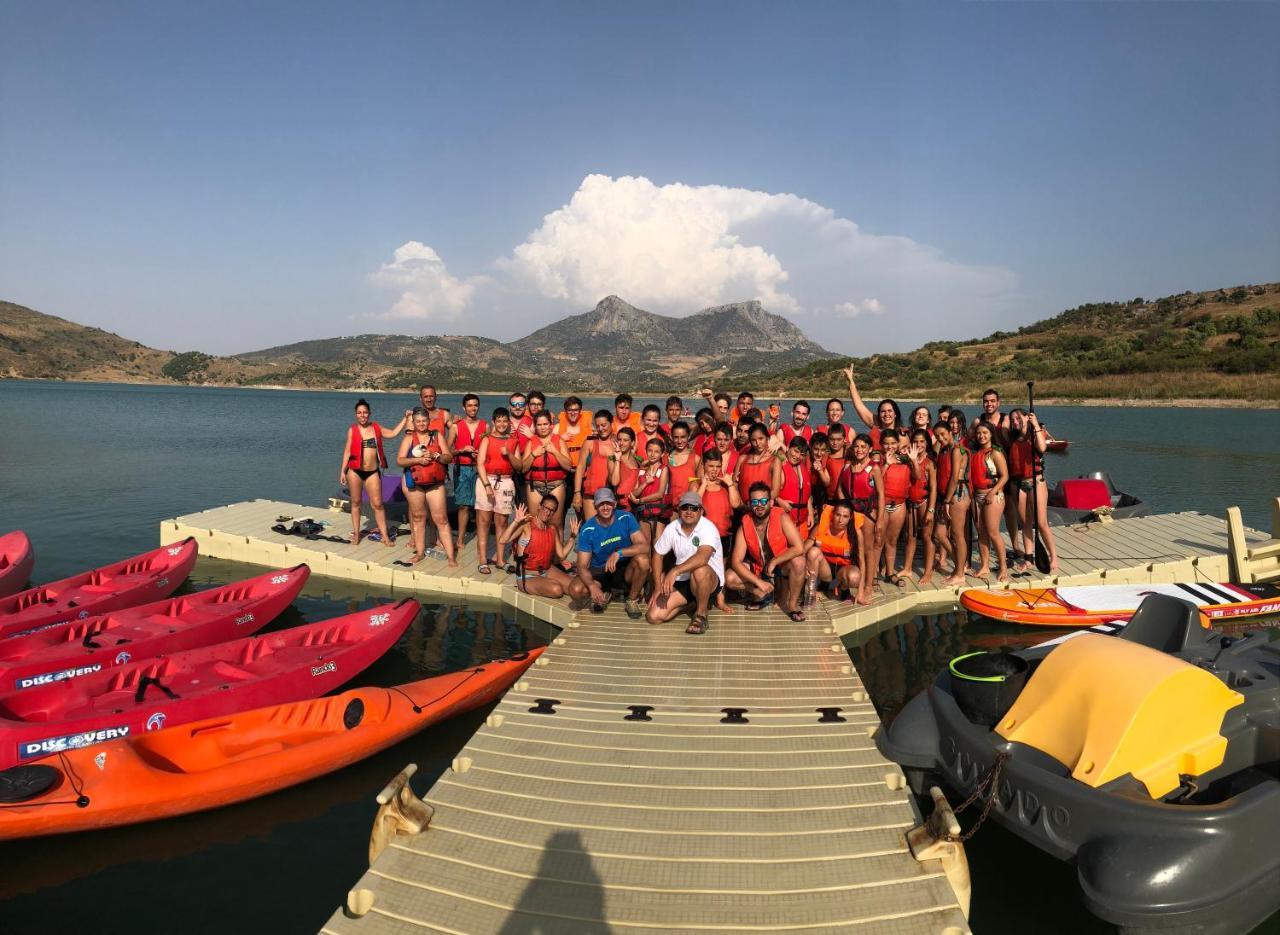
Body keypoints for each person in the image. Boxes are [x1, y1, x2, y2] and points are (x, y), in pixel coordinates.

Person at [647, 491, 726, 634]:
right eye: (685, 507)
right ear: (679, 510)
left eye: (694, 508)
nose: (689, 511)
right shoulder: (672, 527)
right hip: (684, 580)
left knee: (699, 569)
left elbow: (703, 557)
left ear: (701, 511)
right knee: (654, 617)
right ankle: (691, 604)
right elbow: (658, 554)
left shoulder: (708, 528)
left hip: (709, 580)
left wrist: (674, 571)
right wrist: (658, 587)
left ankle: (701, 614)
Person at [729, 482, 808, 621]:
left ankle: (792, 605)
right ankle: (760, 593)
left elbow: (799, 547)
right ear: (750, 504)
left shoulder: (782, 517)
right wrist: (758, 583)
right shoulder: (745, 524)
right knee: (730, 578)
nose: (759, 505)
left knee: (800, 561)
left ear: (771, 502)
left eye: (763, 501)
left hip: (781, 566)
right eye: (755, 501)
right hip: (759, 568)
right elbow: (736, 562)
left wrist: (775, 561)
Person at [338, 398, 408, 547]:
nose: (362, 415)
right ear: (356, 414)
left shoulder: (376, 428)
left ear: (369, 413)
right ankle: (357, 534)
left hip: (372, 472)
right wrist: (343, 471)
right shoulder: (352, 430)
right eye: (359, 413)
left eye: (365, 412)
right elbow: (347, 451)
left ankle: (385, 536)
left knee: (377, 504)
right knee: (356, 502)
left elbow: (394, 433)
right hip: (354, 471)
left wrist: (405, 418)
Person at [572, 488, 651, 618]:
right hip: (600, 571)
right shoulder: (587, 529)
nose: (605, 507)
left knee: (643, 560)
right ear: (595, 506)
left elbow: (645, 547)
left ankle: (632, 599)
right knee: (575, 590)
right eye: (601, 504)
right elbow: (582, 565)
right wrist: (591, 586)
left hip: (624, 568)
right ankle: (604, 591)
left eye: (608, 503)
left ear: (614, 504)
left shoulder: (626, 517)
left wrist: (619, 553)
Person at [396, 407, 456, 565]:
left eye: (424, 421)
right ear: (414, 423)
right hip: (416, 484)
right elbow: (400, 460)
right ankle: (420, 552)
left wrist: (437, 456)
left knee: (441, 519)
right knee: (418, 517)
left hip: (435, 484)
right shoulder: (409, 438)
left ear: (429, 422)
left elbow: (448, 457)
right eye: (418, 421)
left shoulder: (437, 436)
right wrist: (418, 460)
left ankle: (451, 556)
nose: (421, 424)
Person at [1008, 408, 1060, 573]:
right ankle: (1028, 558)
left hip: (1036, 481)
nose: (1015, 421)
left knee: (1041, 522)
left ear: (1026, 417)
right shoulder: (1014, 439)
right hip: (1019, 484)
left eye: (1018, 418)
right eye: (1012, 420)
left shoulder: (1036, 433)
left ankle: (1053, 557)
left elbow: (1042, 448)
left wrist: (1035, 423)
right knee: (1025, 524)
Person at [500, 499, 580, 599]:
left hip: (547, 570)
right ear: (539, 506)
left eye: (552, 510)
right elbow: (503, 540)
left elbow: (562, 555)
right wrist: (516, 521)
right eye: (546, 508)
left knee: (576, 588)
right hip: (527, 576)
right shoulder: (526, 525)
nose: (548, 512)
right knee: (557, 590)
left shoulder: (552, 528)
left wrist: (572, 537)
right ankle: (551, 583)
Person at [475, 407, 518, 574]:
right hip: (487, 480)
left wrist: (509, 455)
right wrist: (487, 485)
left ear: (509, 423)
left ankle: (500, 559)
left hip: (506, 481)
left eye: (504, 421)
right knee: (484, 521)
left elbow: (519, 465)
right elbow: (479, 463)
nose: (501, 424)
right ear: (494, 422)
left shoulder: (514, 441)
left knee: (502, 522)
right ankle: (483, 560)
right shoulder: (486, 439)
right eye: (498, 421)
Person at [517, 411, 573, 533]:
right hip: (535, 486)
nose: (542, 427)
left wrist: (555, 451)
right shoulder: (531, 442)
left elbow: (568, 466)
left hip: (556, 485)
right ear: (535, 426)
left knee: (556, 523)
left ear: (551, 425)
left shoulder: (559, 441)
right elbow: (523, 468)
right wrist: (533, 454)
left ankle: (557, 552)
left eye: (545, 424)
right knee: (535, 521)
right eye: (539, 425)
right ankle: (537, 550)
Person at [804, 500, 870, 605]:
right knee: (813, 551)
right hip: (824, 573)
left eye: (845, 516)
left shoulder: (856, 534)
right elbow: (804, 550)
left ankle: (841, 589)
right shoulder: (820, 527)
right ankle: (811, 592)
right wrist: (803, 566)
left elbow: (862, 562)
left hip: (841, 574)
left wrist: (860, 592)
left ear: (850, 517)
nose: (840, 520)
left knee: (854, 577)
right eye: (838, 515)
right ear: (833, 514)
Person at [970, 422, 1010, 583]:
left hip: (993, 495)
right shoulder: (976, 453)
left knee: (993, 532)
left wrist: (992, 493)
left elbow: (1004, 476)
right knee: (981, 533)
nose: (981, 436)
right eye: (979, 433)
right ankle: (984, 565)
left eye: (985, 432)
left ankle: (1003, 568)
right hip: (977, 496)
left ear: (991, 434)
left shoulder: (995, 453)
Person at [877, 431, 918, 586]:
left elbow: (917, 476)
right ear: (881, 444)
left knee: (892, 541)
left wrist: (913, 461)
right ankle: (873, 574)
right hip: (882, 505)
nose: (890, 446)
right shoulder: (877, 459)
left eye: (893, 443)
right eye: (886, 443)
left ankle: (890, 573)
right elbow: (876, 481)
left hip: (899, 505)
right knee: (878, 541)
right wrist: (886, 464)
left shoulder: (905, 460)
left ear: (898, 444)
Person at [451, 393, 487, 556]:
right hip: (462, 469)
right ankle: (460, 538)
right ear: (464, 407)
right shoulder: (456, 426)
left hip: (480, 469)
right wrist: (461, 450)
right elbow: (447, 450)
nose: (473, 408)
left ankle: (482, 538)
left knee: (481, 506)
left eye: (475, 405)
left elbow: (490, 447)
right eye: (470, 405)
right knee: (463, 505)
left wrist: (481, 453)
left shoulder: (485, 426)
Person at [940, 415, 973, 587]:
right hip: (951, 494)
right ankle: (959, 568)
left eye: (943, 434)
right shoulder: (947, 449)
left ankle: (960, 573)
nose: (941, 438)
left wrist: (946, 501)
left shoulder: (956, 450)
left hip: (958, 493)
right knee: (943, 533)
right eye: (938, 436)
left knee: (958, 535)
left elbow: (954, 477)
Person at [903, 428, 938, 585]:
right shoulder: (907, 460)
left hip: (924, 502)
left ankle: (928, 571)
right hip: (910, 503)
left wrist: (931, 509)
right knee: (910, 537)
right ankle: (907, 567)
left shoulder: (929, 463)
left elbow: (933, 489)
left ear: (927, 443)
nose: (918, 444)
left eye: (922, 441)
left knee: (926, 537)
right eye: (916, 441)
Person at [694, 448, 742, 558]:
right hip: (703, 537)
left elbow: (735, 504)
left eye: (718, 466)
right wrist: (703, 486)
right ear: (703, 465)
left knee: (721, 572)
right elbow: (693, 505)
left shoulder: (725, 485)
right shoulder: (696, 484)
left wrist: (730, 484)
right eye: (711, 466)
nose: (715, 470)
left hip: (724, 536)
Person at [843, 367, 902, 449]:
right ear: (879, 414)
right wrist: (851, 381)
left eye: (889, 411)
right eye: (883, 411)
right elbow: (859, 406)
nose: (886, 414)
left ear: (895, 414)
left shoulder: (903, 434)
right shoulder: (875, 424)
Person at [574, 409, 616, 520]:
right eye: (598, 426)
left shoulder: (618, 442)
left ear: (612, 423)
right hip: (591, 495)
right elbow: (580, 467)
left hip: (611, 495)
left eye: (604, 425)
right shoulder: (590, 442)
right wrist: (577, 492)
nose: (601, 429)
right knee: (592, 530)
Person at [629, 437, 671, 543]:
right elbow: (633, 493)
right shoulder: (642, 472)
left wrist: (640, 501)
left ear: (662, 454)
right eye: (650, 451)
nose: (652, 454)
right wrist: (645, 483)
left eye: (657, 451)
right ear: (646, 451)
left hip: (658, 513)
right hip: (643, 513)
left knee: (658, 548)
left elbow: (660, 494)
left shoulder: (663, 469)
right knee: (645, 548)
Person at [773, 435, 813, 537]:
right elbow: (768, 491)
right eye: (795, 451)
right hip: (785, 521)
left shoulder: (802, 467)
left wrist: (811, 514)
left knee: (802, 551)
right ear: (788, 447)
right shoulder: (779, 464)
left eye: (802, 454)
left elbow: (806, 493)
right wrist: (779, 501)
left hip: (803, 521)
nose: (798, 456)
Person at [734, 422, 775, 504]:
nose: (758, 443)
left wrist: (757, 505)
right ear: (750, 441)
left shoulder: (774, 460)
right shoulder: (742, 459)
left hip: (762, 509)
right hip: (742, 508)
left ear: (767, 438)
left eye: (761, 438)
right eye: (754, 440)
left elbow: (775, 491)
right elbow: (735, 483)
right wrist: (740, 504)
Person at [666, 421, 700, 506]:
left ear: (688, 437)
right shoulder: (667, 458)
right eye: (676, 437)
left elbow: (699, 481)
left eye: (683, 437)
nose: (679, 441)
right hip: (671, 507)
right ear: (671, 437)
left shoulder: (695, 458)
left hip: (689, 507)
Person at [556, 396, 589, 478]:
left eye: (575, 410)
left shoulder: (590, 428)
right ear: (566, 411)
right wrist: (560, 439)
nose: (573, 413)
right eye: (570, 410)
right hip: (564, 471)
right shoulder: (557, 428)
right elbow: (547, 445)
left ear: (580, 411)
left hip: (583, 471)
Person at [609, 427, 640, 505]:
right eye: (619, 440)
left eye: (625, 440)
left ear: (632, 443)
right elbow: (614, 483)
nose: (621, 443)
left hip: (635, 503)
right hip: (620, 504)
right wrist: (618, 459)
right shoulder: (611, 459)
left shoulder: (638, 460)